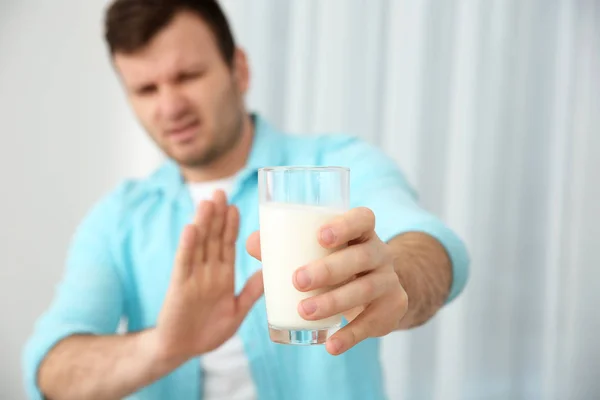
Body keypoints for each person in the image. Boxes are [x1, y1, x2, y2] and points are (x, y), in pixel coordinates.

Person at [22, 0, 470, 399]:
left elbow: (428, 245)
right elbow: (50, 370)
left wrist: (394, 279)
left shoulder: (336, 164)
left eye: (188, 76)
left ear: (239, 70)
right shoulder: (118, 218)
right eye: (146, 90)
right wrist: (164, 347)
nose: (170, 106)